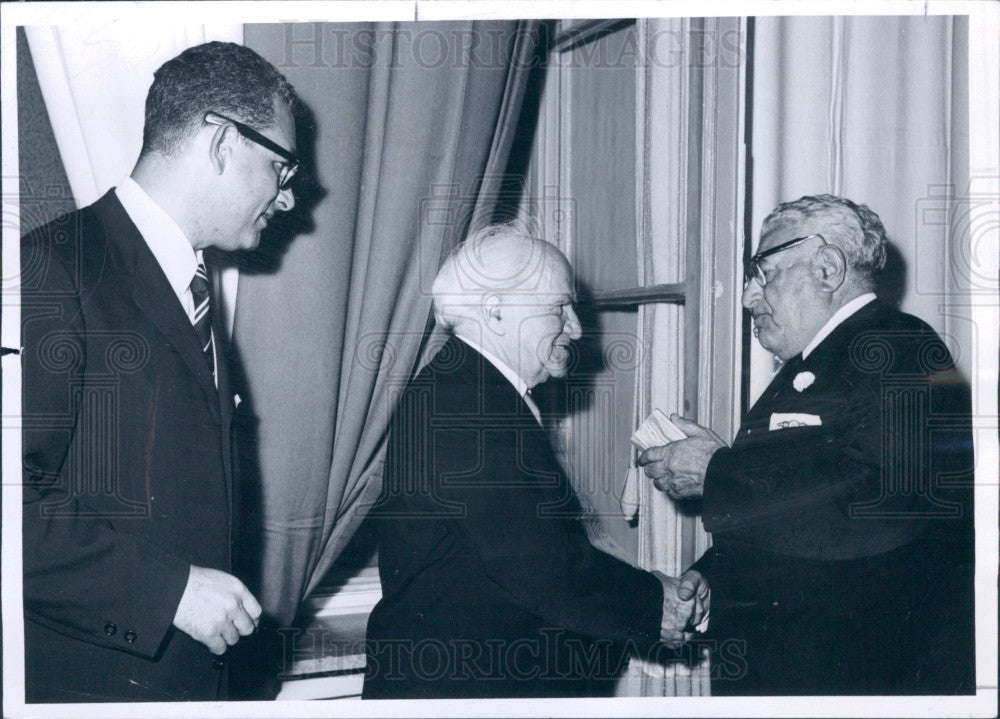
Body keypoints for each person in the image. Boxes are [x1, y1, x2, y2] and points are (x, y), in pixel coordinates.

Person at [20, 41, 301, 702]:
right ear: (223, 143)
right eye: (280, 168)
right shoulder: (52, 269)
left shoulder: (193, 282)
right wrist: (166, 590)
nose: (287, 200)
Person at [639, 195, 975, 695]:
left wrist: (719, 472)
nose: (749, 297)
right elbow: (800, 513)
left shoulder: (901, 346)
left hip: (860, 679)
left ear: (826, 266)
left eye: (765, 273)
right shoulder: (812, 365)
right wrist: (714, 581)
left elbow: (878, 504)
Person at [363, 224, 709, 698]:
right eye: (558, 309)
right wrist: (654, 603)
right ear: (496, 310)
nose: (577, 328)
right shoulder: (464, 405)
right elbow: (532, 563)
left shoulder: (475, 389)